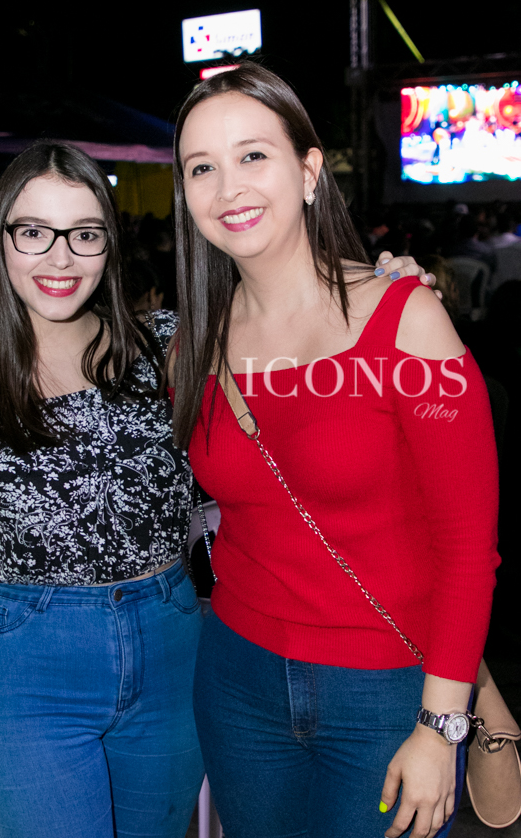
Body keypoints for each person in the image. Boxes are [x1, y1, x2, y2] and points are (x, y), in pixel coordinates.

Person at [170, 63, 499, 838]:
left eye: (253, 155)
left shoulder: (405, 319)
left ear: (310, 170)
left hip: (386, 690)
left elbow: (467, 547)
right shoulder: (190, 347)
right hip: (237, 676)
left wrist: (441, 725)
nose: (228, 188)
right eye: (201, 168)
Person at [0, 142, 204, 838]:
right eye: (34, 231)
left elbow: (293, 328)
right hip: (29, 667)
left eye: (84, 234)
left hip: (171, 648)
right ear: (0, 236)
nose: (60, 258)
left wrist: (379, 282)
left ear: (109, 244)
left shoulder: (165, 347)